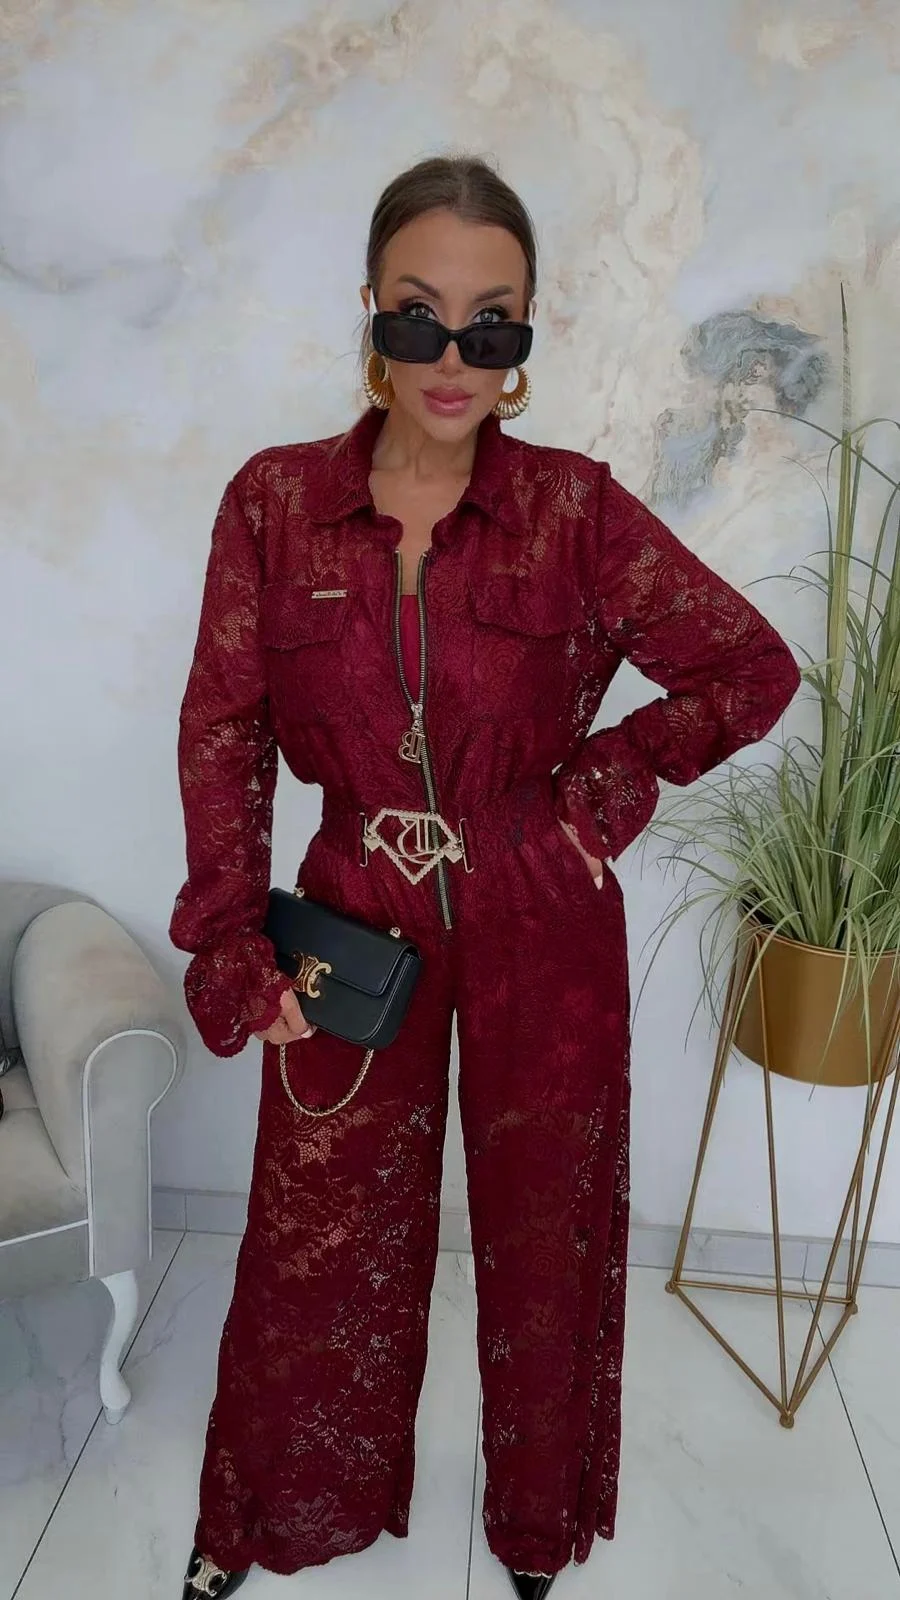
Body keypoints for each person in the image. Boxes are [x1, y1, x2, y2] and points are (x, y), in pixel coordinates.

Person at [170, 154, 800, 1600]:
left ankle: (532, 1529)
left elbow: (747, 667)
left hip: (540, 912)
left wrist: (597, 793)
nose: (451, 357)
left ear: (525, 336)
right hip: (350, 907)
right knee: (320, 1232)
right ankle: (263, 1510)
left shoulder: (575, 512)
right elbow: (223, 730)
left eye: (490, 322)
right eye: (419, 315)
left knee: (545, 1232)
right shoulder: (275, 503)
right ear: (370, 314)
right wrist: (230, 939)